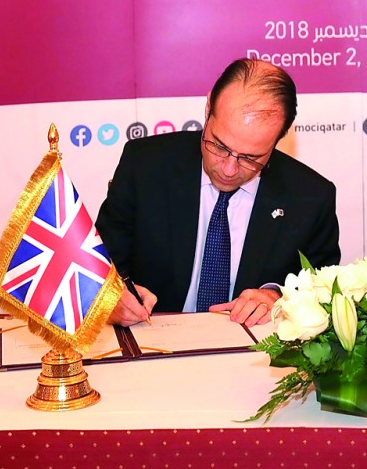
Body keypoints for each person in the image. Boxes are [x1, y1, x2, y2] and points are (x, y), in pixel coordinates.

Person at [96, 58, 341, 327]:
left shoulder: (311, 197)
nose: (228, 168)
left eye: (251, 157)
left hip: (251, 355)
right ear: (208, 108)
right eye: (219, 145)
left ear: (278, 139)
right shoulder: (145, 166)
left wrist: (278, 298)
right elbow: (99, 262)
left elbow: (323, 288)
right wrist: (110, 296)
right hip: (155, 341)